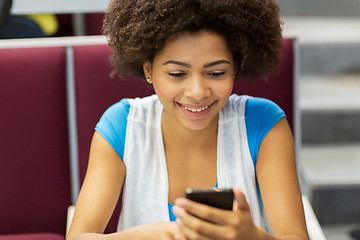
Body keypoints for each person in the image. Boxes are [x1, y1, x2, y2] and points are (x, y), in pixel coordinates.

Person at [67, 1, 309, 240]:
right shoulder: (122, 125)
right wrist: (143, 237)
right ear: (148, 70)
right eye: (177, 74)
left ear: (236, 67)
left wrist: (250, 237)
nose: (197, 92)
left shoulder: (264, 124)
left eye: (216, 73)